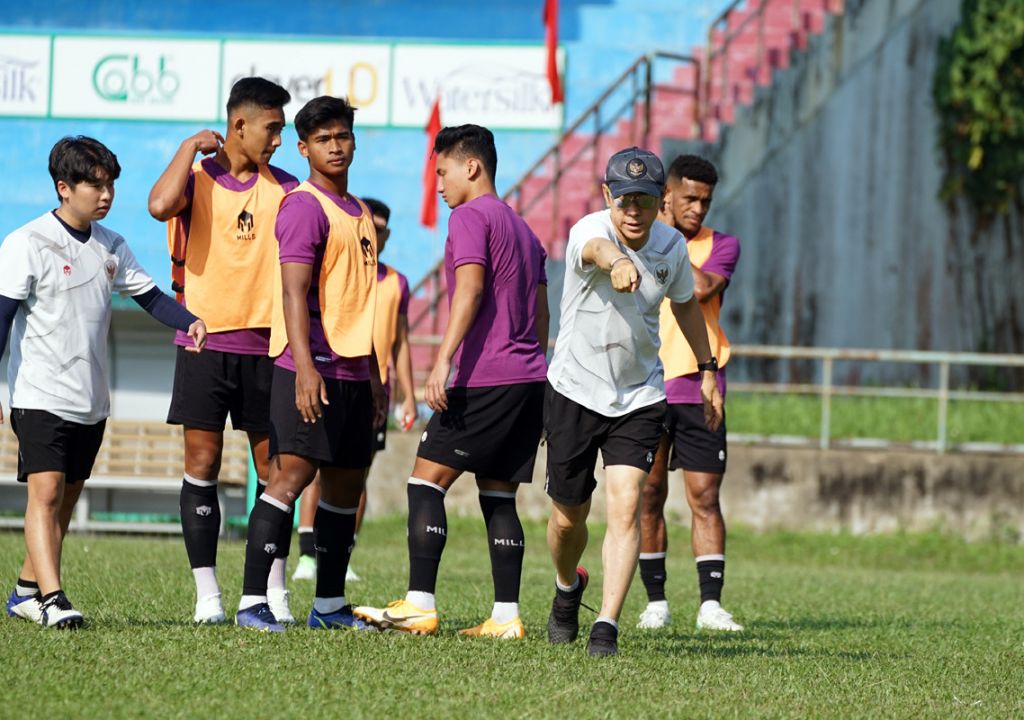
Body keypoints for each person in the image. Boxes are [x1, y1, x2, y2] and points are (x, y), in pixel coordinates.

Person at [1, 136, 207, 629]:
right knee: (44, 496)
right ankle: (54, 600)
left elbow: (151, 296)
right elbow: (2, 318)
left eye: (110, 183)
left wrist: (190, 320)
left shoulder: (111, 244)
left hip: (91, 401)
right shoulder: (26, 243)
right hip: (38, 394)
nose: (106, 193)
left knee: (65, 503)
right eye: (94, 183)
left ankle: (26, 591)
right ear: (63, 187)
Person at [354, 124, 549, 640]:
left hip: (483, 378)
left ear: (472, 167)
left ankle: (419, 603)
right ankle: (506, 617)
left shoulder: (469, 217)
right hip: (529, 378)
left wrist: (442, 362)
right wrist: (533, 366)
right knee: (499, 496)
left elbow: (470, 287)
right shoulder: (526, 232)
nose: (437, 184)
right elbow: (542, 312)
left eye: (441, 172)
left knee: (424, 482)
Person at [544, 147, 723, 657]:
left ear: (660, 202)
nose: (633, 211)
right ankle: (565, 587)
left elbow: (687, 306)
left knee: (625, 507)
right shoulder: (589, 230)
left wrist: (707, 370)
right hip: (574, 391)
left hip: (640, 396)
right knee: (567, 518)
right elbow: (598, 251)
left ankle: (606, 625)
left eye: (644, 200)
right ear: (607, 196)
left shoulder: (670, 248)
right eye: (624, 199)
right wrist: (619, 260)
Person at [148, 77, 299, 624]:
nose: (278, 140)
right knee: (203, 462)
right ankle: (207, 595)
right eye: (272, 128)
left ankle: (272, 590)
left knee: (274, 469)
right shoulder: (195, 179)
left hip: (268, 346)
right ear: (239, 125)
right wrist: (189, 146)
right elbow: (158, 205)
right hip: (203, 341)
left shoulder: (287, 189)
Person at [234, 95, 386, 632]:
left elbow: (359, 300)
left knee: (345, 491)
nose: (336, 146)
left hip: (352, 372)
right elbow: (293, 294)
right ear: (303, 148)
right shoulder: (302, 206)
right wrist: (304, 368)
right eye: (323, 139)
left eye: (342, 136)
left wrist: (372, 376)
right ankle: (253, 602)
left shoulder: (361, 212)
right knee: (290, 477)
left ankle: (329, 606)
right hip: (309, 366)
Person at [637, 155, 742, 632]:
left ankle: (710, 606)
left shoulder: (722, 245)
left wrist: (666, 237)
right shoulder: (636, 240)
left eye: (706, 201)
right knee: (649, 493)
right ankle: (656, 602)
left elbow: (700, 287)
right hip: (646, 386)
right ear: (667, 196)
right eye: (690, 199)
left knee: (704, 495)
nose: (699, 209)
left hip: (702, 388)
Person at [291, 198, 417, 584]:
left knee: (355, 477)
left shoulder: (397, 282)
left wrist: (408, 395)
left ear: (387, 235)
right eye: (370, 228)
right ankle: (308, 556)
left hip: (373, 387)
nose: (374, 235)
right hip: (330, 378)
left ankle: (343, 553)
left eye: (381, 230)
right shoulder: (340, 266)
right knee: (314, 473)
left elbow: (400, 342)